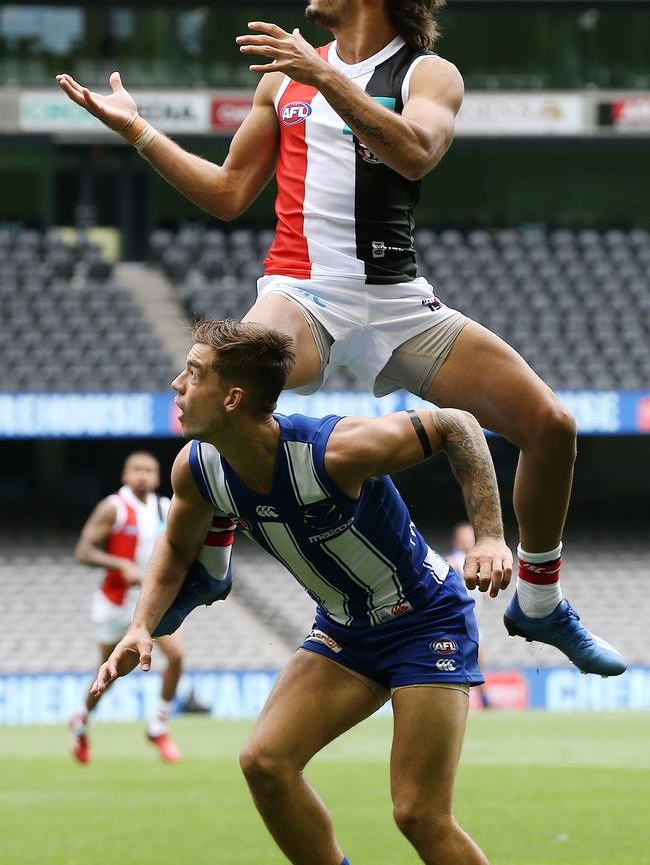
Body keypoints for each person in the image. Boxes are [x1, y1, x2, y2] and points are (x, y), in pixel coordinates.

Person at [56, 0, 625, 677]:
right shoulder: (282, 77)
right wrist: (140, 133)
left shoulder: (429, 74)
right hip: (302, 292)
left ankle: (541, 601)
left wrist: (324, 75)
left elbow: (415, 153)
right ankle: (213, 562)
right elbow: (228, 195)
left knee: (551, 424)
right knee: (219, 389)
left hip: (395, 300)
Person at [93, 319, 513, 865]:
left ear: (232, 398)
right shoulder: (196, 469)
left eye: (193, 373)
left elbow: (457, 425)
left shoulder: (332, 452)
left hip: (425, 623)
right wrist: (141, 626)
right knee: (264, 764)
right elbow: (175, 549)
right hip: (345, 629)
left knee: (418, 814)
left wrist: (490, 537)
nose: (176, 383)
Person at [68, 452, 223, 763]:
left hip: (151, 601)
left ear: (157, 476)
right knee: (111, 673)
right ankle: (82, 719)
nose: (143, 475)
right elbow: (83, 551)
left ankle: (157, 726)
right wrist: (119, 563)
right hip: (116, 602)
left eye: (149, 470)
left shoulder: (166, 508)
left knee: (177, 656)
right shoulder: (114, 507)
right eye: (137, 469)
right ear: (126, 475)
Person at [448, 522, 492, 709]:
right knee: (471, 661)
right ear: (456, 540)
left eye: (470, 536)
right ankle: (482, 702)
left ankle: (484, 701)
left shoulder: (478, 563)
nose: (468, 540)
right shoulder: (453, 560)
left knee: (478, 661)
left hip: (472, 621)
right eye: (464, 536)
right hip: (457, 622)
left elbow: (487, 594)